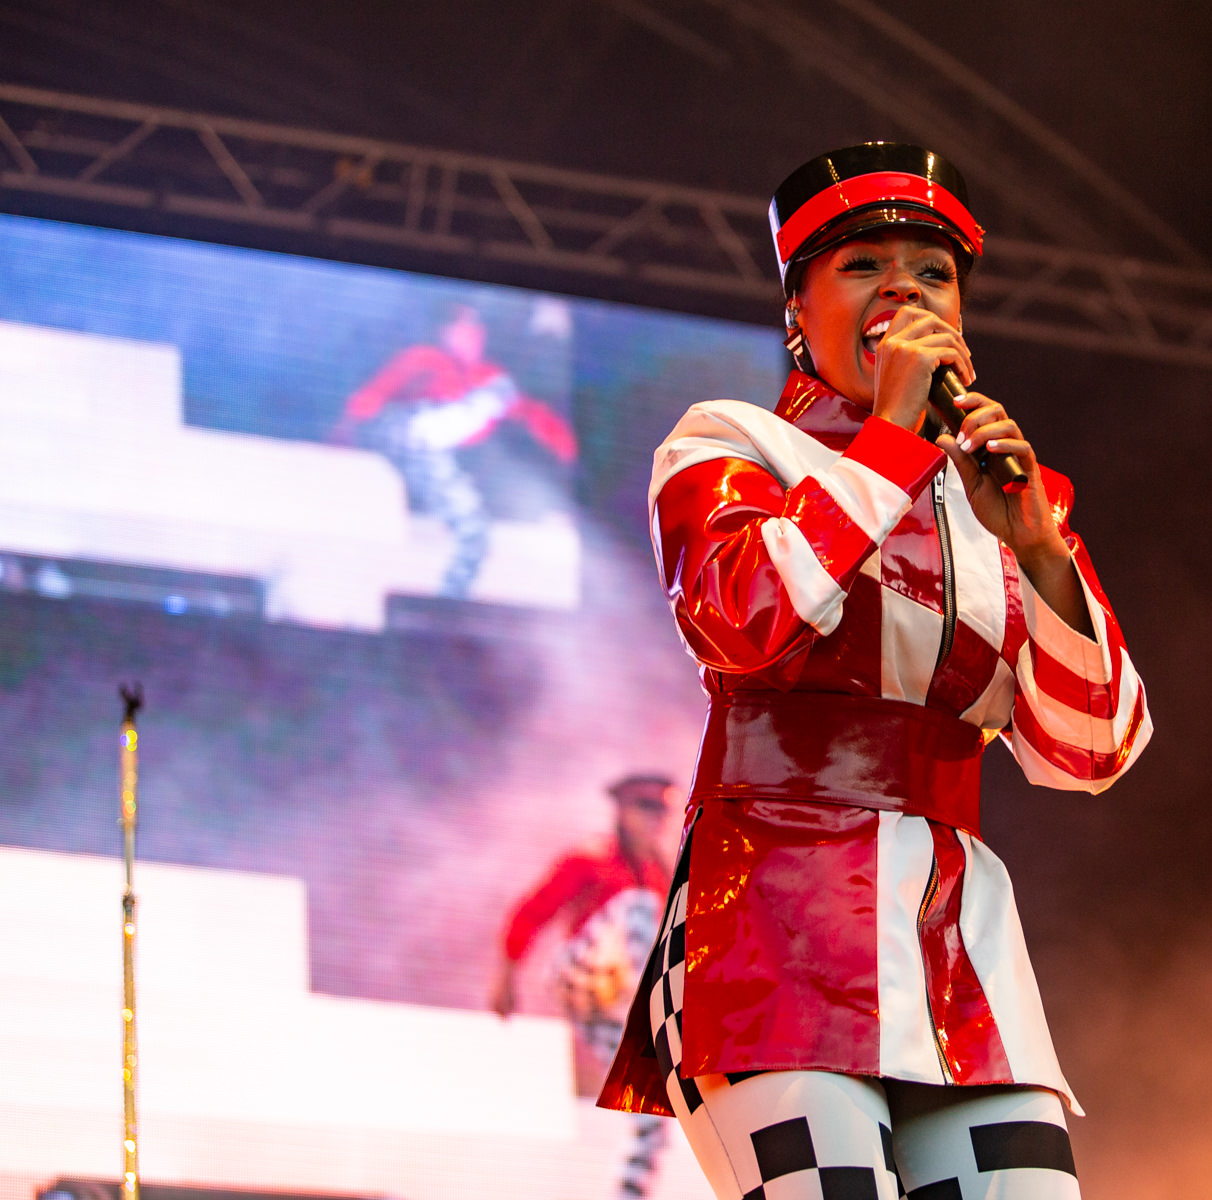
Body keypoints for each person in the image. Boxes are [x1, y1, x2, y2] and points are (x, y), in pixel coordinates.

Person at [599, 143, 1151, 1200]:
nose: (905, 288)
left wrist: (1039, 546)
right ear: (798, 313)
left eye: (933, 272)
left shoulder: (1005, 500)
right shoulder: (731, 446)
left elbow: (1092, 752)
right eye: (863, 265)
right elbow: (742, 622)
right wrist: (894, 435)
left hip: (956, 940)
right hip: (766, 926)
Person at [494, 774, 675, 1199]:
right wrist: (506, 976)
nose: (654, 819)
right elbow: (532, 911)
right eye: (644, 807)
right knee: (639, 907)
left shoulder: (658, 870)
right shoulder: (590, 860)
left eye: (660, 809)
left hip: (619, 1002)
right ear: (622, 811)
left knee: (655, 1107)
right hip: (581, 976)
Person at [335, 303, 577, 598]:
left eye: (475, 329)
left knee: (476, 529)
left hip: (455, 461)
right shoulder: (423, 360)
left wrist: (565, 448)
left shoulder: (491, 379)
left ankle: (452, 595)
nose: (472, 336)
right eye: (463, 328)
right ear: (445, 333)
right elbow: (375, 394)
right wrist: (347, 429)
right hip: (411, 446)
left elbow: (528, 412)